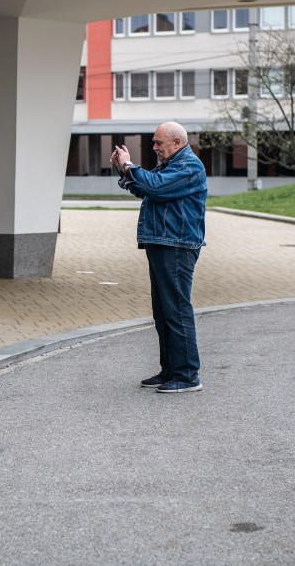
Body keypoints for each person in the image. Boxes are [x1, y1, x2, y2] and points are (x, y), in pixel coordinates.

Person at [111, 123, 207, 393]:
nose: (154, 148)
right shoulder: (171, 164)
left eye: (158, 143)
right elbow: (146, 189)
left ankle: (188, 376)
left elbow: (156, 187)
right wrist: (124, 171)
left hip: (176, 244)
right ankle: (170, 371)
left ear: (176, 142)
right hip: (163, 243)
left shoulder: (188, 165)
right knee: (163, 312)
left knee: (176, 310)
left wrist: (130, 167)